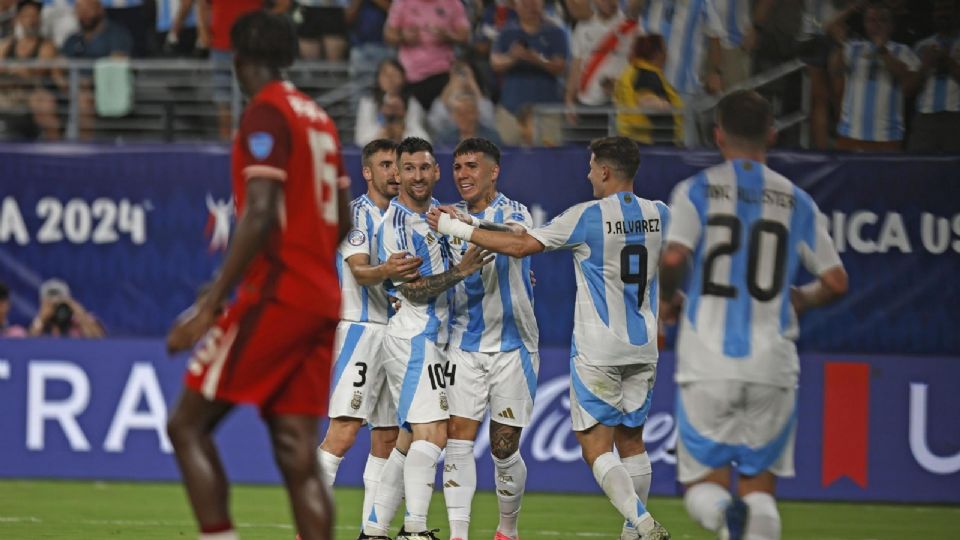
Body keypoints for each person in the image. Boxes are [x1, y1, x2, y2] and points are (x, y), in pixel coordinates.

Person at [428, 136, 671, 540]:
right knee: (633, 440)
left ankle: (642, 523)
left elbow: (522, 243)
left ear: (606, 171)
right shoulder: (661, 213)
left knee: (595, 446)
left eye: (592, 167)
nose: (588, 173)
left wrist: (456, 226)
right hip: (645, 345)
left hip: (598, 347)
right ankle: (632, 532)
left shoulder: (586, 215)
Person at [164, 11, 350, 540]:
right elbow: (344, 211)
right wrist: (311, 261)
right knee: (296, 452)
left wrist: (210, 304)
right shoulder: (318, 116)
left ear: (238, 60)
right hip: (321, 297)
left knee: (186, 425)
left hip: (280, 293)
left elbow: (261, 209)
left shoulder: (265, 115)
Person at [658, 90, 848, 540]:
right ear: (772, 134)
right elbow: (836, 281)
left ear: (718, 135)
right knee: (761, 491)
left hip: (706, 359)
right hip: (772, 362)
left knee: (704, 486)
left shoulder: (697, 190)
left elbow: (672, 259)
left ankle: (725, 516)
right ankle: (743, 518)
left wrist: (669, 301)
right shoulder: (796, 199)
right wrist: (799, 298)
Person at [362, 137, 492, 540]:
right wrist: (462, 271)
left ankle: (374, 529)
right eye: (409, 168)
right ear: (396, 173)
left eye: (425, 168)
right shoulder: (397, 224)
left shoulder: (438, 216)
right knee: (434, 433)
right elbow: (412, 290)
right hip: (414, 335)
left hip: (432, 338)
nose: (417, 176)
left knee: (407, 440)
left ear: (435, 172)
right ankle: (414, 530)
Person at [315, 139, 423, 533]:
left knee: (388, 437)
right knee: (342, 434)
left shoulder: (406, 217)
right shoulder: (354, 216)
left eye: (398, 165)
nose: (396, 173)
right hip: (361, 332)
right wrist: (391, 270)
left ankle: (370, 531)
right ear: (367, 172)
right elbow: (360, 271)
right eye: (386, 165)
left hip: (398, 335)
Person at [438, 138, 537, 540]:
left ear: (493, 171)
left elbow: (516, 240)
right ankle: (459, 535)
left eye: (472, 166)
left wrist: (462, 225)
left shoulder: (517, 212)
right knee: (457, 440)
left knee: (502, 447)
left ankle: (507, 531)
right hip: (464, 345)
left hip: (514, 346)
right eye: (458, 167)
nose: (462, 174)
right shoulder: (446, 219)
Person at [830, 0, 920, 151]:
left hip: (888, 137)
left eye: (882, 20)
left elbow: (909, 84)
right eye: (871, 20)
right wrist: (852, 9)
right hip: (850, 134)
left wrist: (882, 50)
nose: (876, 24)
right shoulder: (853, 48)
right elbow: (831, 29)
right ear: (865, 24)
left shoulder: (903, 51)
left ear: (891, 26)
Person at [491, 0, 568, 146]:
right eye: (524, 3)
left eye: (533, 2)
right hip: (511, 110)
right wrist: (513, 57)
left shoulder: (555, 31)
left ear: (542, 4)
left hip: (547, 112)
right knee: (508, 161)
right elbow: (495, 63)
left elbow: (561, 67)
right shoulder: (506, 31)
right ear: (515, 5)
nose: (529, 5)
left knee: (549, 160)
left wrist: (537, 59)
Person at [383, 0, 471, 111]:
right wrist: (403, 38)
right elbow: (389, 35)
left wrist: (449, 36)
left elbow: (465, 36)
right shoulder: (402, 2)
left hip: (443, 74)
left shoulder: (453, 3)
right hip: (410, 76)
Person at [0, 0, 65, 140]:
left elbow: (37, 72)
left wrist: (15, 71)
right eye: (26, 16)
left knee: (44, 103)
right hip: (7, 92)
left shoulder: (47, 46)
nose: (31, 20)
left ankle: (57, 152)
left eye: (35, 16)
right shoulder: (7, 45)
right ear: (17, 19)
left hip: (33, 93)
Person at [908, 0, 960, 153]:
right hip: (925, 119)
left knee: (954, 171)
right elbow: (909, 89)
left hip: (956, 118)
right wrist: (925, 65)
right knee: (920, 170)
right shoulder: (921, 46)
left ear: (957, 12)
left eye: (947, 8)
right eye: (938, 10)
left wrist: (947, 61)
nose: (942, 13)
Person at [613, 33, 683, 146]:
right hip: (650, 144)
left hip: (629, 139)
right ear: (657, 54)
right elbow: (646, 100)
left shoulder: (630, 71)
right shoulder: (647, 74)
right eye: (664, 50)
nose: (667, 55)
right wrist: (666, 106)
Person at [355, 58, 430, 146]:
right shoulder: (368, 102)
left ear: (403, 78)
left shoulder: (412, 103)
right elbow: (360, 139)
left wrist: (403, 130)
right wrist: (383, 132)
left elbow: (425, 139)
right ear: (378, 78)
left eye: (395, 74)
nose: (390, 79)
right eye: (386, 75)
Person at [29, 278, 106, 338]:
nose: (56, 308)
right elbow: (27, 345)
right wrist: (41, 318)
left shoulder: (79, 325)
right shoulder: (27, 329)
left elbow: (99, 340)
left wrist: (79, 312)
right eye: (50, 304)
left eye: (60, 303)